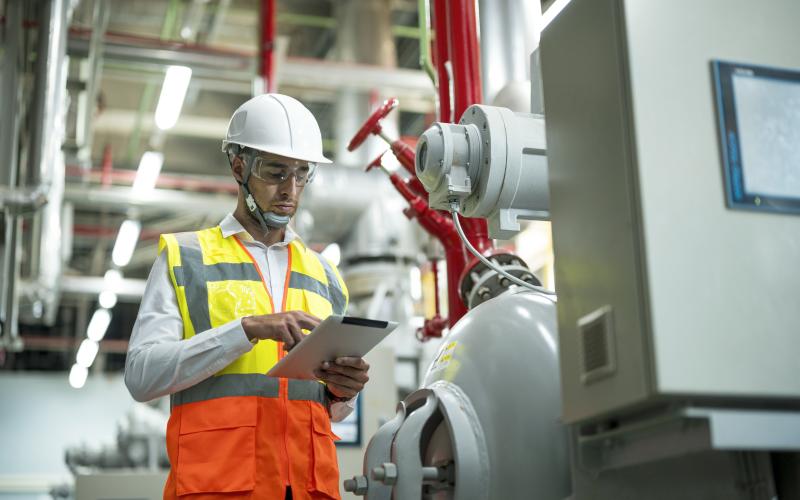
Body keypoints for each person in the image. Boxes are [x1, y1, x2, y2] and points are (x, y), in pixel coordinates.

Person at [125, 94, 370, 500]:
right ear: (239, 166)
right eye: (276, 172)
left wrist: (345, 389)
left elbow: (329, 410)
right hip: (219, 488)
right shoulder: (186, 259)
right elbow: (142, 376)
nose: (290, 190)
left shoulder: (325, 275)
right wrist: (249, 329)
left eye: (301, 174)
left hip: (310, 490)